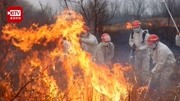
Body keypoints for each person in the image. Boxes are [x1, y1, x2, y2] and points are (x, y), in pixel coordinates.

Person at [129, 20, 150, 84]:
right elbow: (130, 41)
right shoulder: (132, 34)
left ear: (139, 26)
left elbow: (148, 44)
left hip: (145, 54)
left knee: (145, 69)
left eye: (137, 27)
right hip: (137, 54)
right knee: (137, 68)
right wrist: (132, 45)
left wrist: (140, 48)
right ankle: (138, 82)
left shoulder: (145, 34)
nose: (135, 29)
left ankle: (145, 82)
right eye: (134, 27)